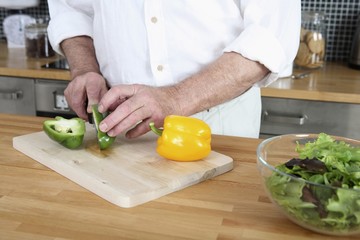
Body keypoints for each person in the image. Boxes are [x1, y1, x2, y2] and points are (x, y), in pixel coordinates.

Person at [47, 0, 301, 139]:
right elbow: (72, 8)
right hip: (118, 119)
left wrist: (175, 98)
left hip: (218, 124)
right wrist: (84, 68)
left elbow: (271, 36)